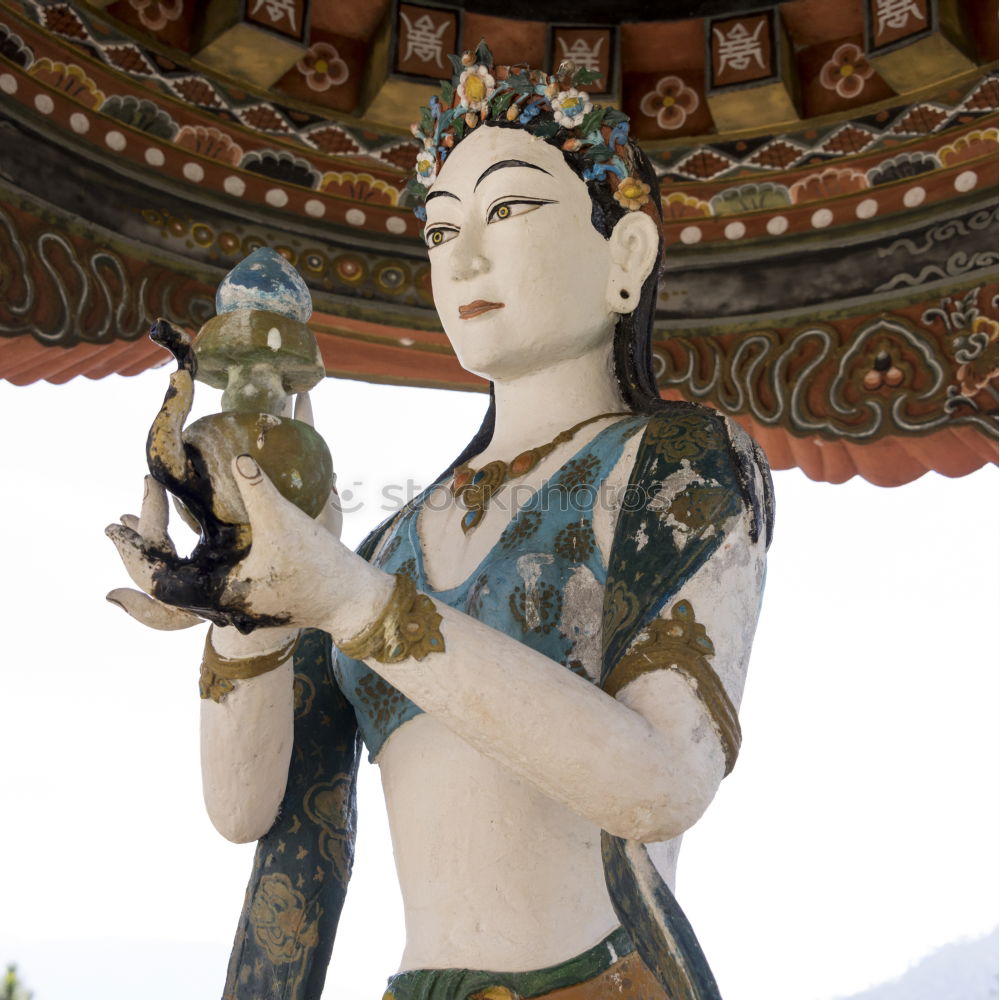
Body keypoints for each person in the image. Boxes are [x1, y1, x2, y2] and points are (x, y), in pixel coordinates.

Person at [108, 46, 773, 1000]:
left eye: (509, 210)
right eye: (438, 230)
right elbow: (251, 810)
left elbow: (662, 783)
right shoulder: (389, 543)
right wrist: (242, 601)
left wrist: (350, 599)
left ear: (625, 256)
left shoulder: (673, 462)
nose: (463, 257)